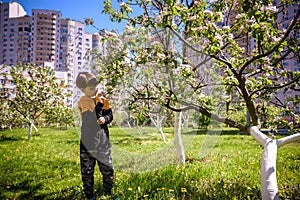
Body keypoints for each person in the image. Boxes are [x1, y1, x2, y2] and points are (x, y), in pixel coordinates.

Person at [76, 71, 114, 200]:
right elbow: (90, 119)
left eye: (96, 88)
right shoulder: (83, 101)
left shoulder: (103, 101)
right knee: (87, 172)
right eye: (91, 89)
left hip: (103, 143)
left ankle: (108, 192)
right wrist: (99, 104)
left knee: (108, 169)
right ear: (82, 90)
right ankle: (89, 195)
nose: (95, 91)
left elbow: (110, 115)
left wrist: (106, 119)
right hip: (88, 145)